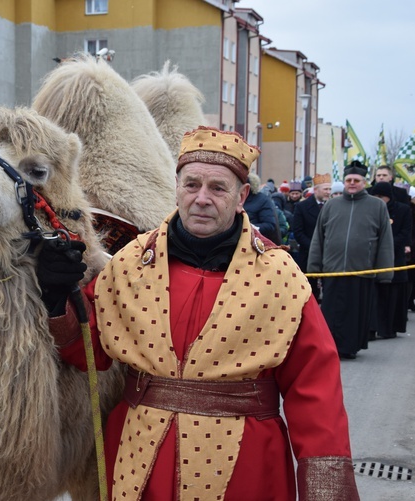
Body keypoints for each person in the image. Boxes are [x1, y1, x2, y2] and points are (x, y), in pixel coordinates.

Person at [40, 126, 359, 499]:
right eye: (191, 185)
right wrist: (55, 296)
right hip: (139, 460)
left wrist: (327, 491)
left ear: (242, 196)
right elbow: (87, 351)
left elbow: (317, 395)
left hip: (245, 467)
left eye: (218, 188)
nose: (202, 198)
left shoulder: (281, 278)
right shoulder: (129, 264)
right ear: (176, 187)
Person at [308, 160, 394, 359]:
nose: (352, 183)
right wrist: (314, 267)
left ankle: (349, 347)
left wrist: (384, 273)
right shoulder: (331, 205)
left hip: (361, 270)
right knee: (331, 312)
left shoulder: (377, 206)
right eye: (349, 180)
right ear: (344, 182)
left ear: (364, 182)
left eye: (356, 180)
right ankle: (330, 347)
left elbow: (385, 242)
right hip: (333, 270)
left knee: (355, 314)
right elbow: (318, 239)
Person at [369, 182, 412, 339]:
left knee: (391, 295)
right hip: (372, 258)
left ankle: (388, 328)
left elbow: (405, 233)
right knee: (373, 296)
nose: (378, 200)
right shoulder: (370, 209)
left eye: (381, 197)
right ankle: (371, 328)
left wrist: (386, 245)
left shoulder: (403, 210)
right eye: (375, 196)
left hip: (395, 257)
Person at [292, 173, 331, 300]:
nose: (328, 192)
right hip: (308, 255)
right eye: (325, 189)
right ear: (315, 190)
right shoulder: (302, 207)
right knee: (309, 292)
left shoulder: (333, 206)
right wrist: (314, 248)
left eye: (330, 189)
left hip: (330, 256)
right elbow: (298, 232)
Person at [243, 172, 281, 244]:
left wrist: (247, 228)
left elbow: (270, 225)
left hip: (256, 244)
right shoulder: (234, 199)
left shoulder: (262, 200)